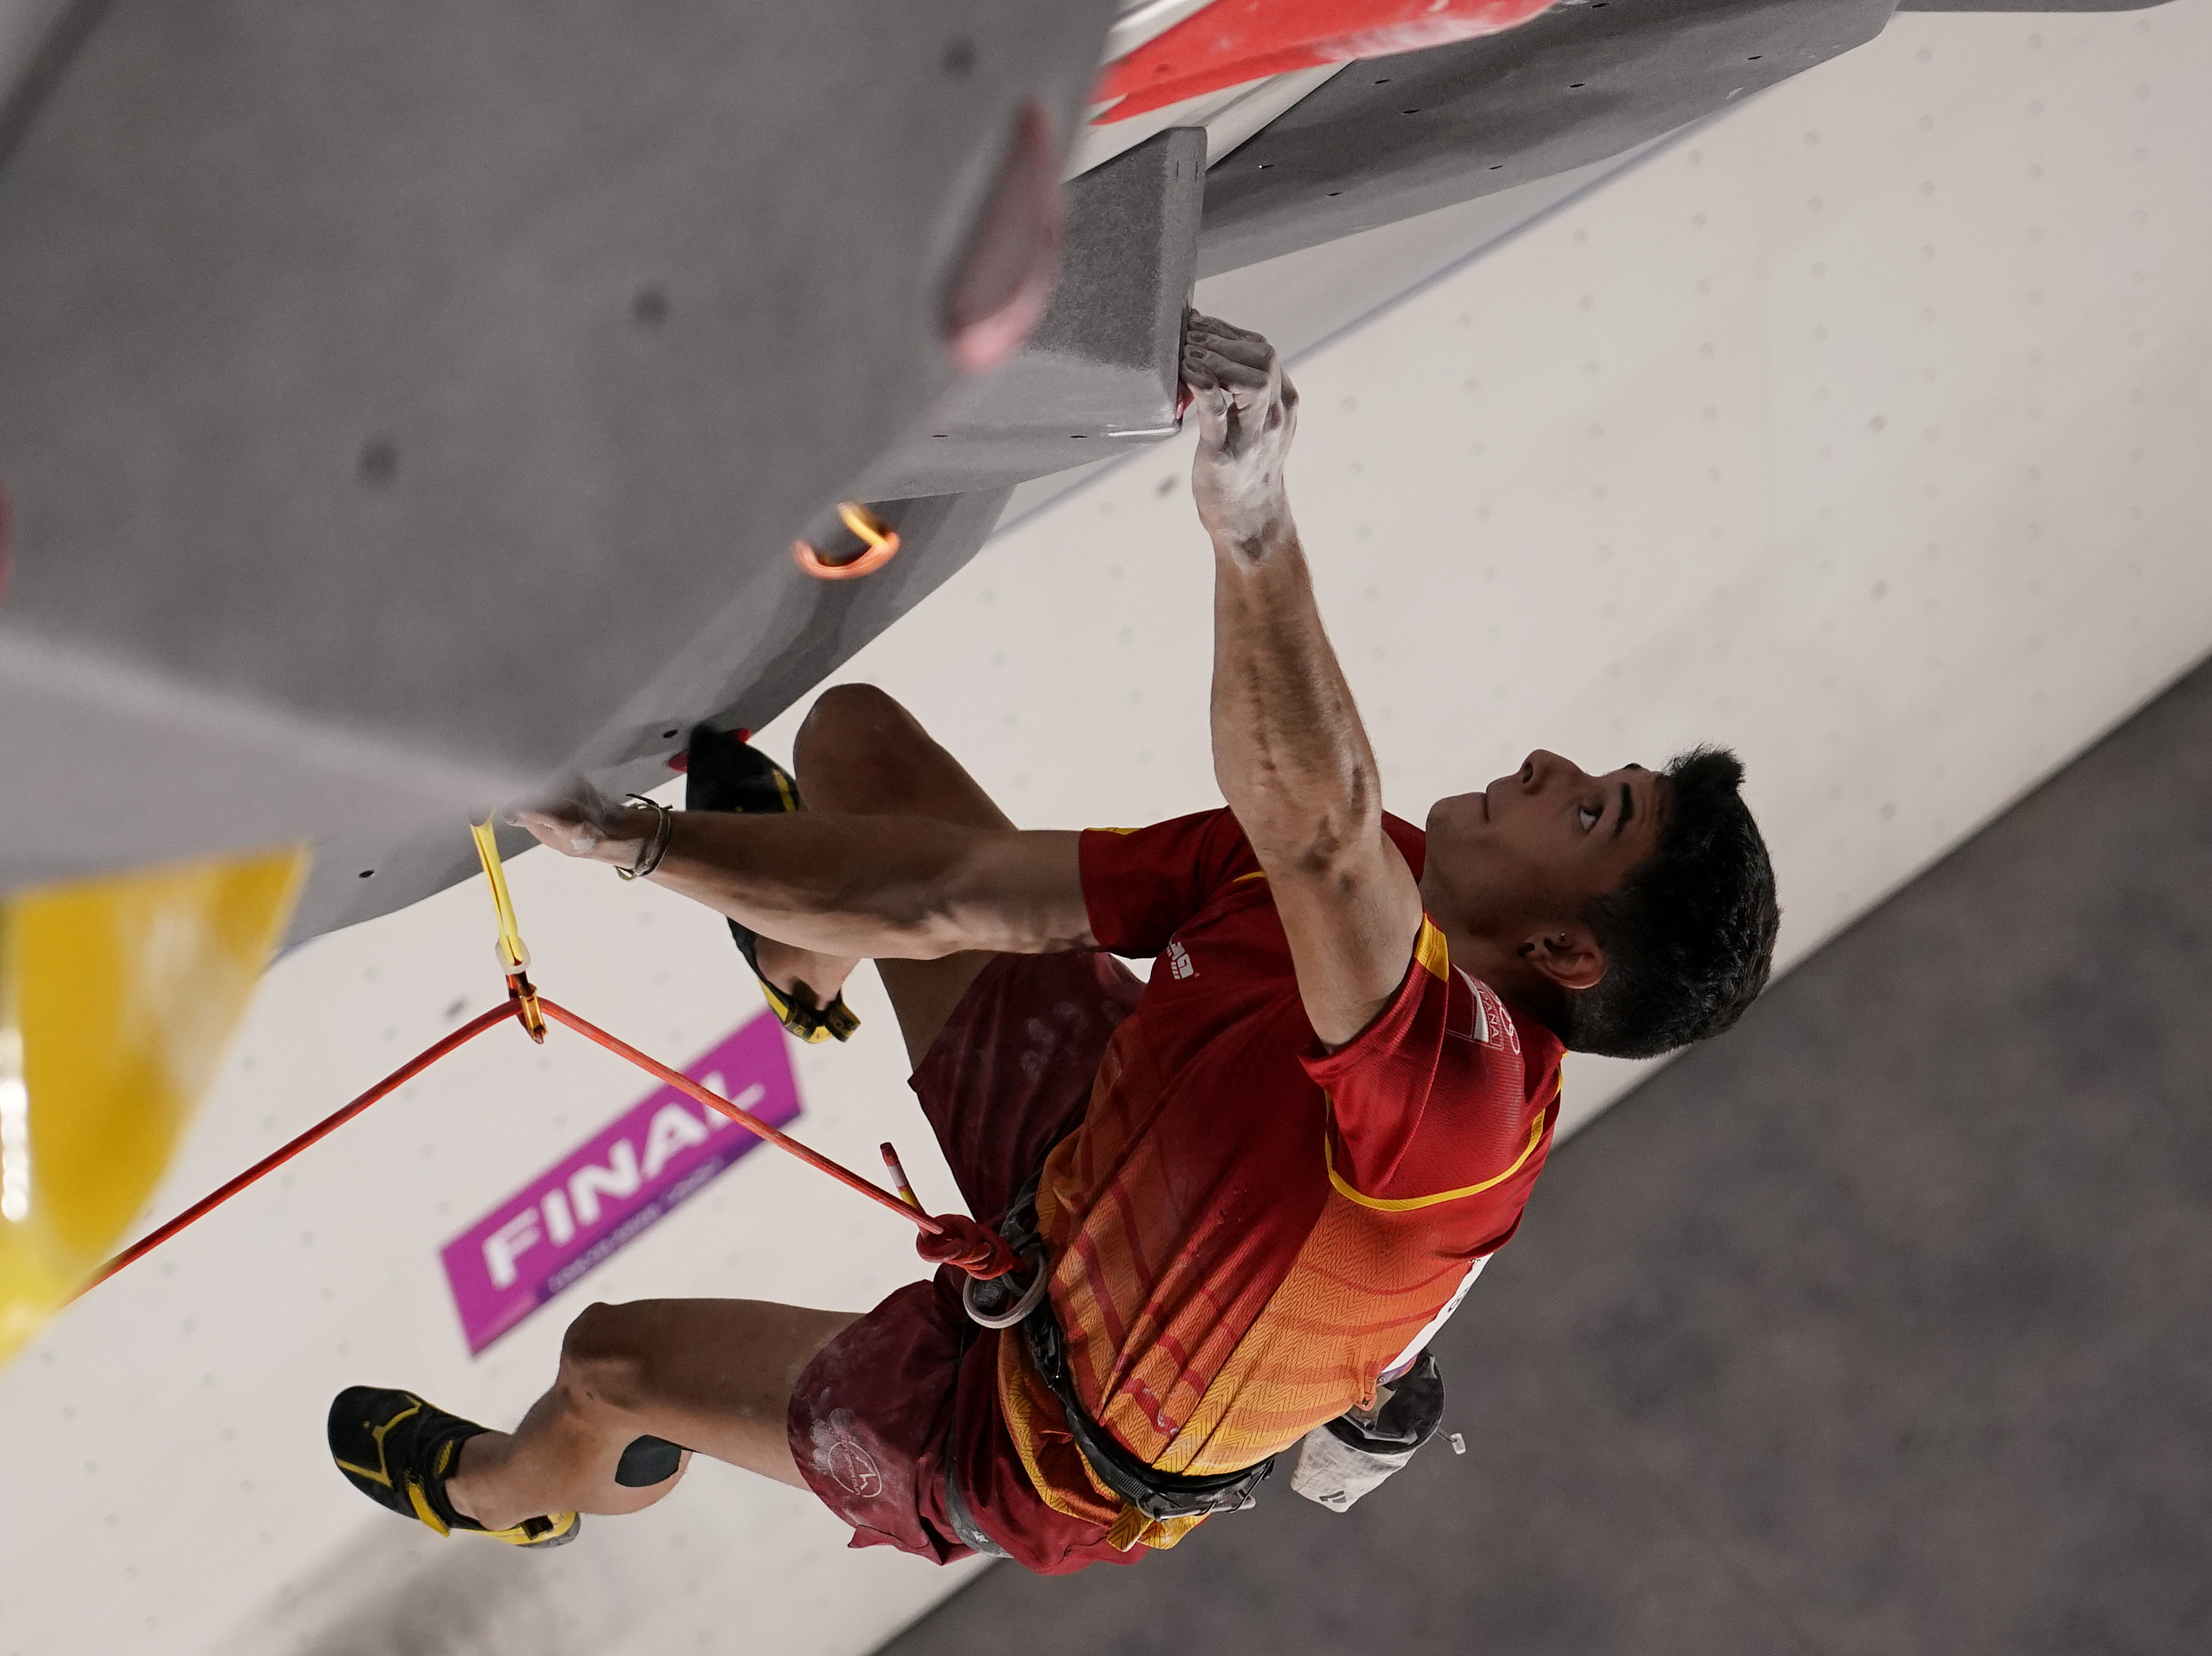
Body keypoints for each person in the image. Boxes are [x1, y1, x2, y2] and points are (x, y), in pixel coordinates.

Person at [327, 314, 1779, 1571]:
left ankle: (511, 1492)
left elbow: (1317, 835)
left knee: (611, 1364)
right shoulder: (1347, 868)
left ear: (1565, 953)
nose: (1548, 765)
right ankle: (801, 966)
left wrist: (1252, 520)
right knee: (856, 746)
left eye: (1589, 810)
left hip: (1028, 1434)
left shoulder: (1462, 1100)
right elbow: (957, 885)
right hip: (1095, 1153)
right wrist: (639, 843)